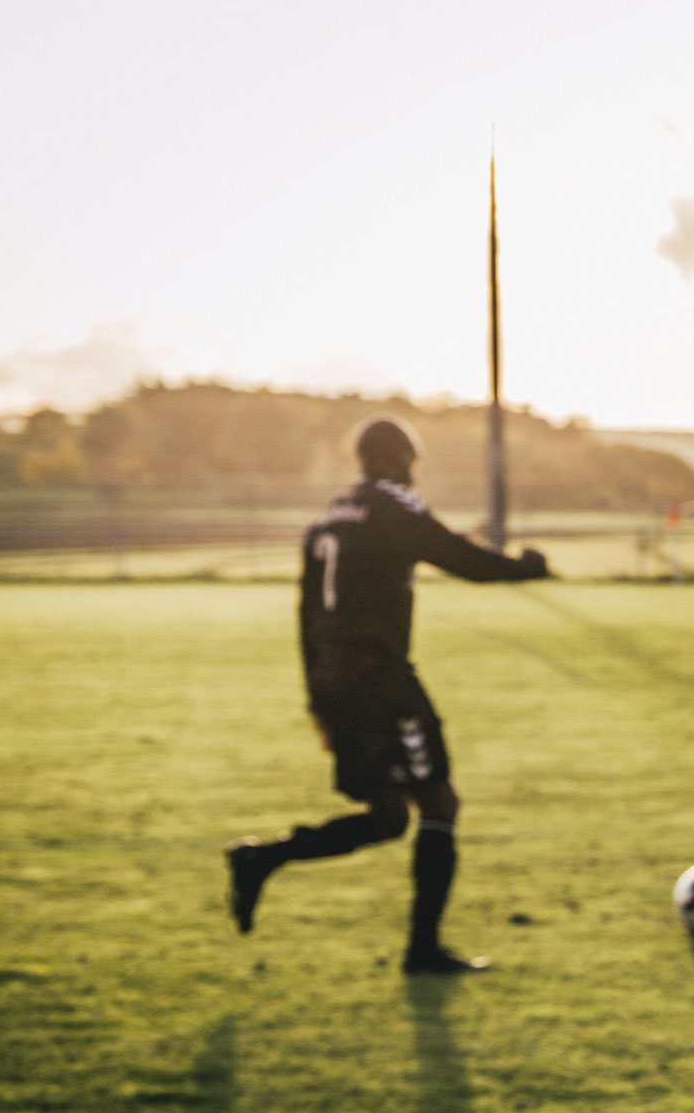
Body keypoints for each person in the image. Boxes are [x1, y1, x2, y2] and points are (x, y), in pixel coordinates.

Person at [225, 416, 551, 974]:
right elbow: (461, 558)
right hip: (380, 678)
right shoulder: (393, 508)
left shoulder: (329, 516)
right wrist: (525, 567)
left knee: (388, 817)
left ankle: (260, 859)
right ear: (402, 459)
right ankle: (423, 952)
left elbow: (305, 615)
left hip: (335, 678)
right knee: (439, 803)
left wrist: (318, 700)